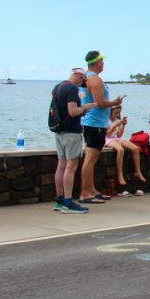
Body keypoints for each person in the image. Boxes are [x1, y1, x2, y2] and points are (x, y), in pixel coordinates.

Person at [78, 51, 126, 204]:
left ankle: (91, 190)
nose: (103, 64)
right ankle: (85, 193)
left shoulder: (86, 78)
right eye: (102, 61)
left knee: (92, 159)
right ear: (97, 62)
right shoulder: (95, 80)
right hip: (94, 124)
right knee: (90, 159)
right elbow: (100, 103)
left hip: (93, 123)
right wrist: (114, 102)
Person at [52, 68, 95, 213]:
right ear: (78, 76)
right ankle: (68, 202)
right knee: (71, 166)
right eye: (82, 81)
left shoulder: (58, 87)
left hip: (59, 132)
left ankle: (59, 199)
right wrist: (85, 107)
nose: (81, 84)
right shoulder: (71, 89)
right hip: (71, 132)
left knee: (61, 165)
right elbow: (72, 111)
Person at [104, 104, 147, 194]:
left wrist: (123, 125)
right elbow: (108, 133)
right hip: (108, 139)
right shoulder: (106, 120)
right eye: (116, 113)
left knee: (135, 148)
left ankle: (137, 171)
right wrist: (116, 125)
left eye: (118, 113)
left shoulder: (118, 120)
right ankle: (120, 175)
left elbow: (119, 135)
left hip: (116, 138)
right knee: (120, 150)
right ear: (110, 112)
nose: (117, 114)